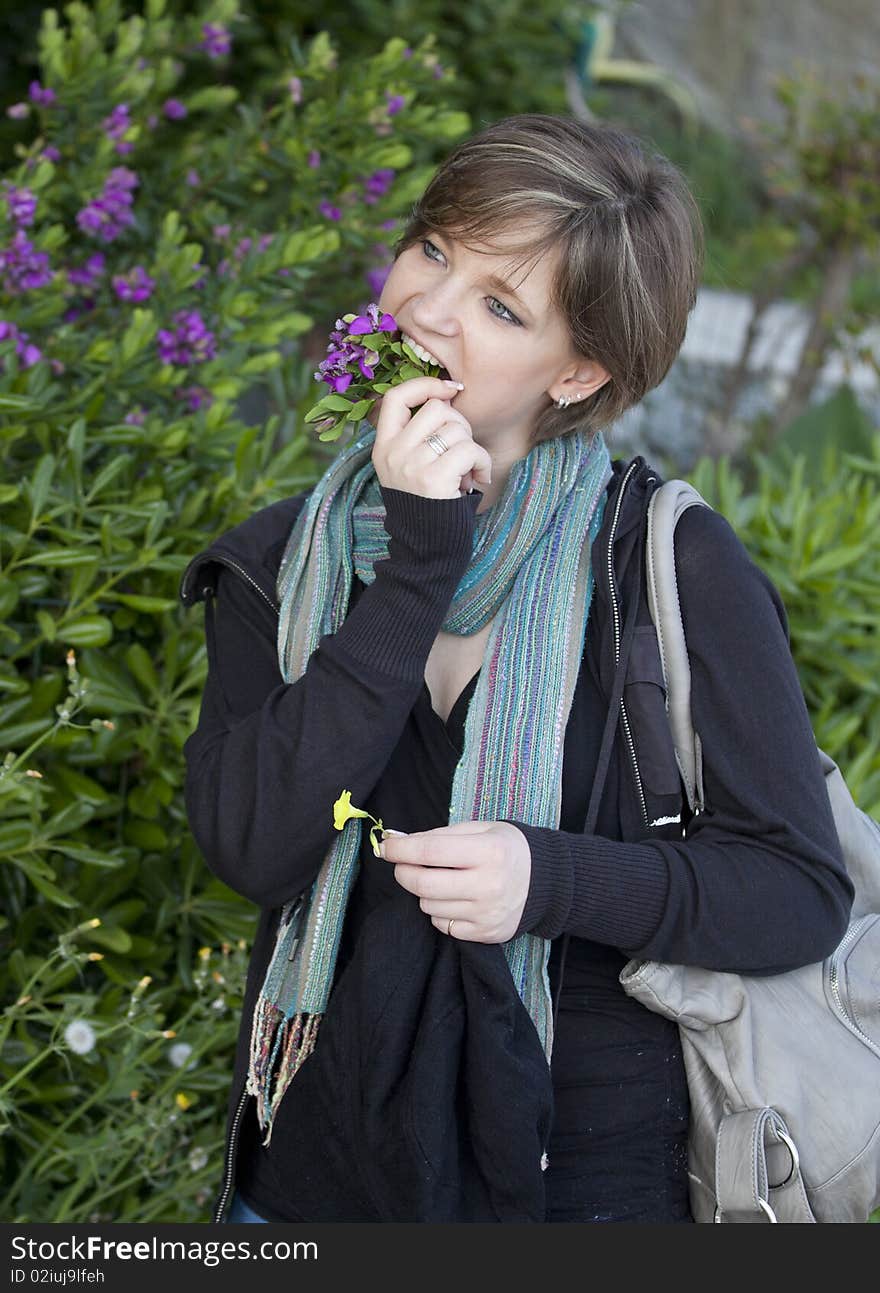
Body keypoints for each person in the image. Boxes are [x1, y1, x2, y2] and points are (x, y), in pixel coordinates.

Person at [179, 113, 853, 1224]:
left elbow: (798, 890)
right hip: (312, 1172)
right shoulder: (278, 563)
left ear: (580, 371)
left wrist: (548, 879)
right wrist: (414, 574)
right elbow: (251, 845)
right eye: (432, 250)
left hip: (577, 1184)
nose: (427, 309)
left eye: (500, 307)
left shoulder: (666, 564)